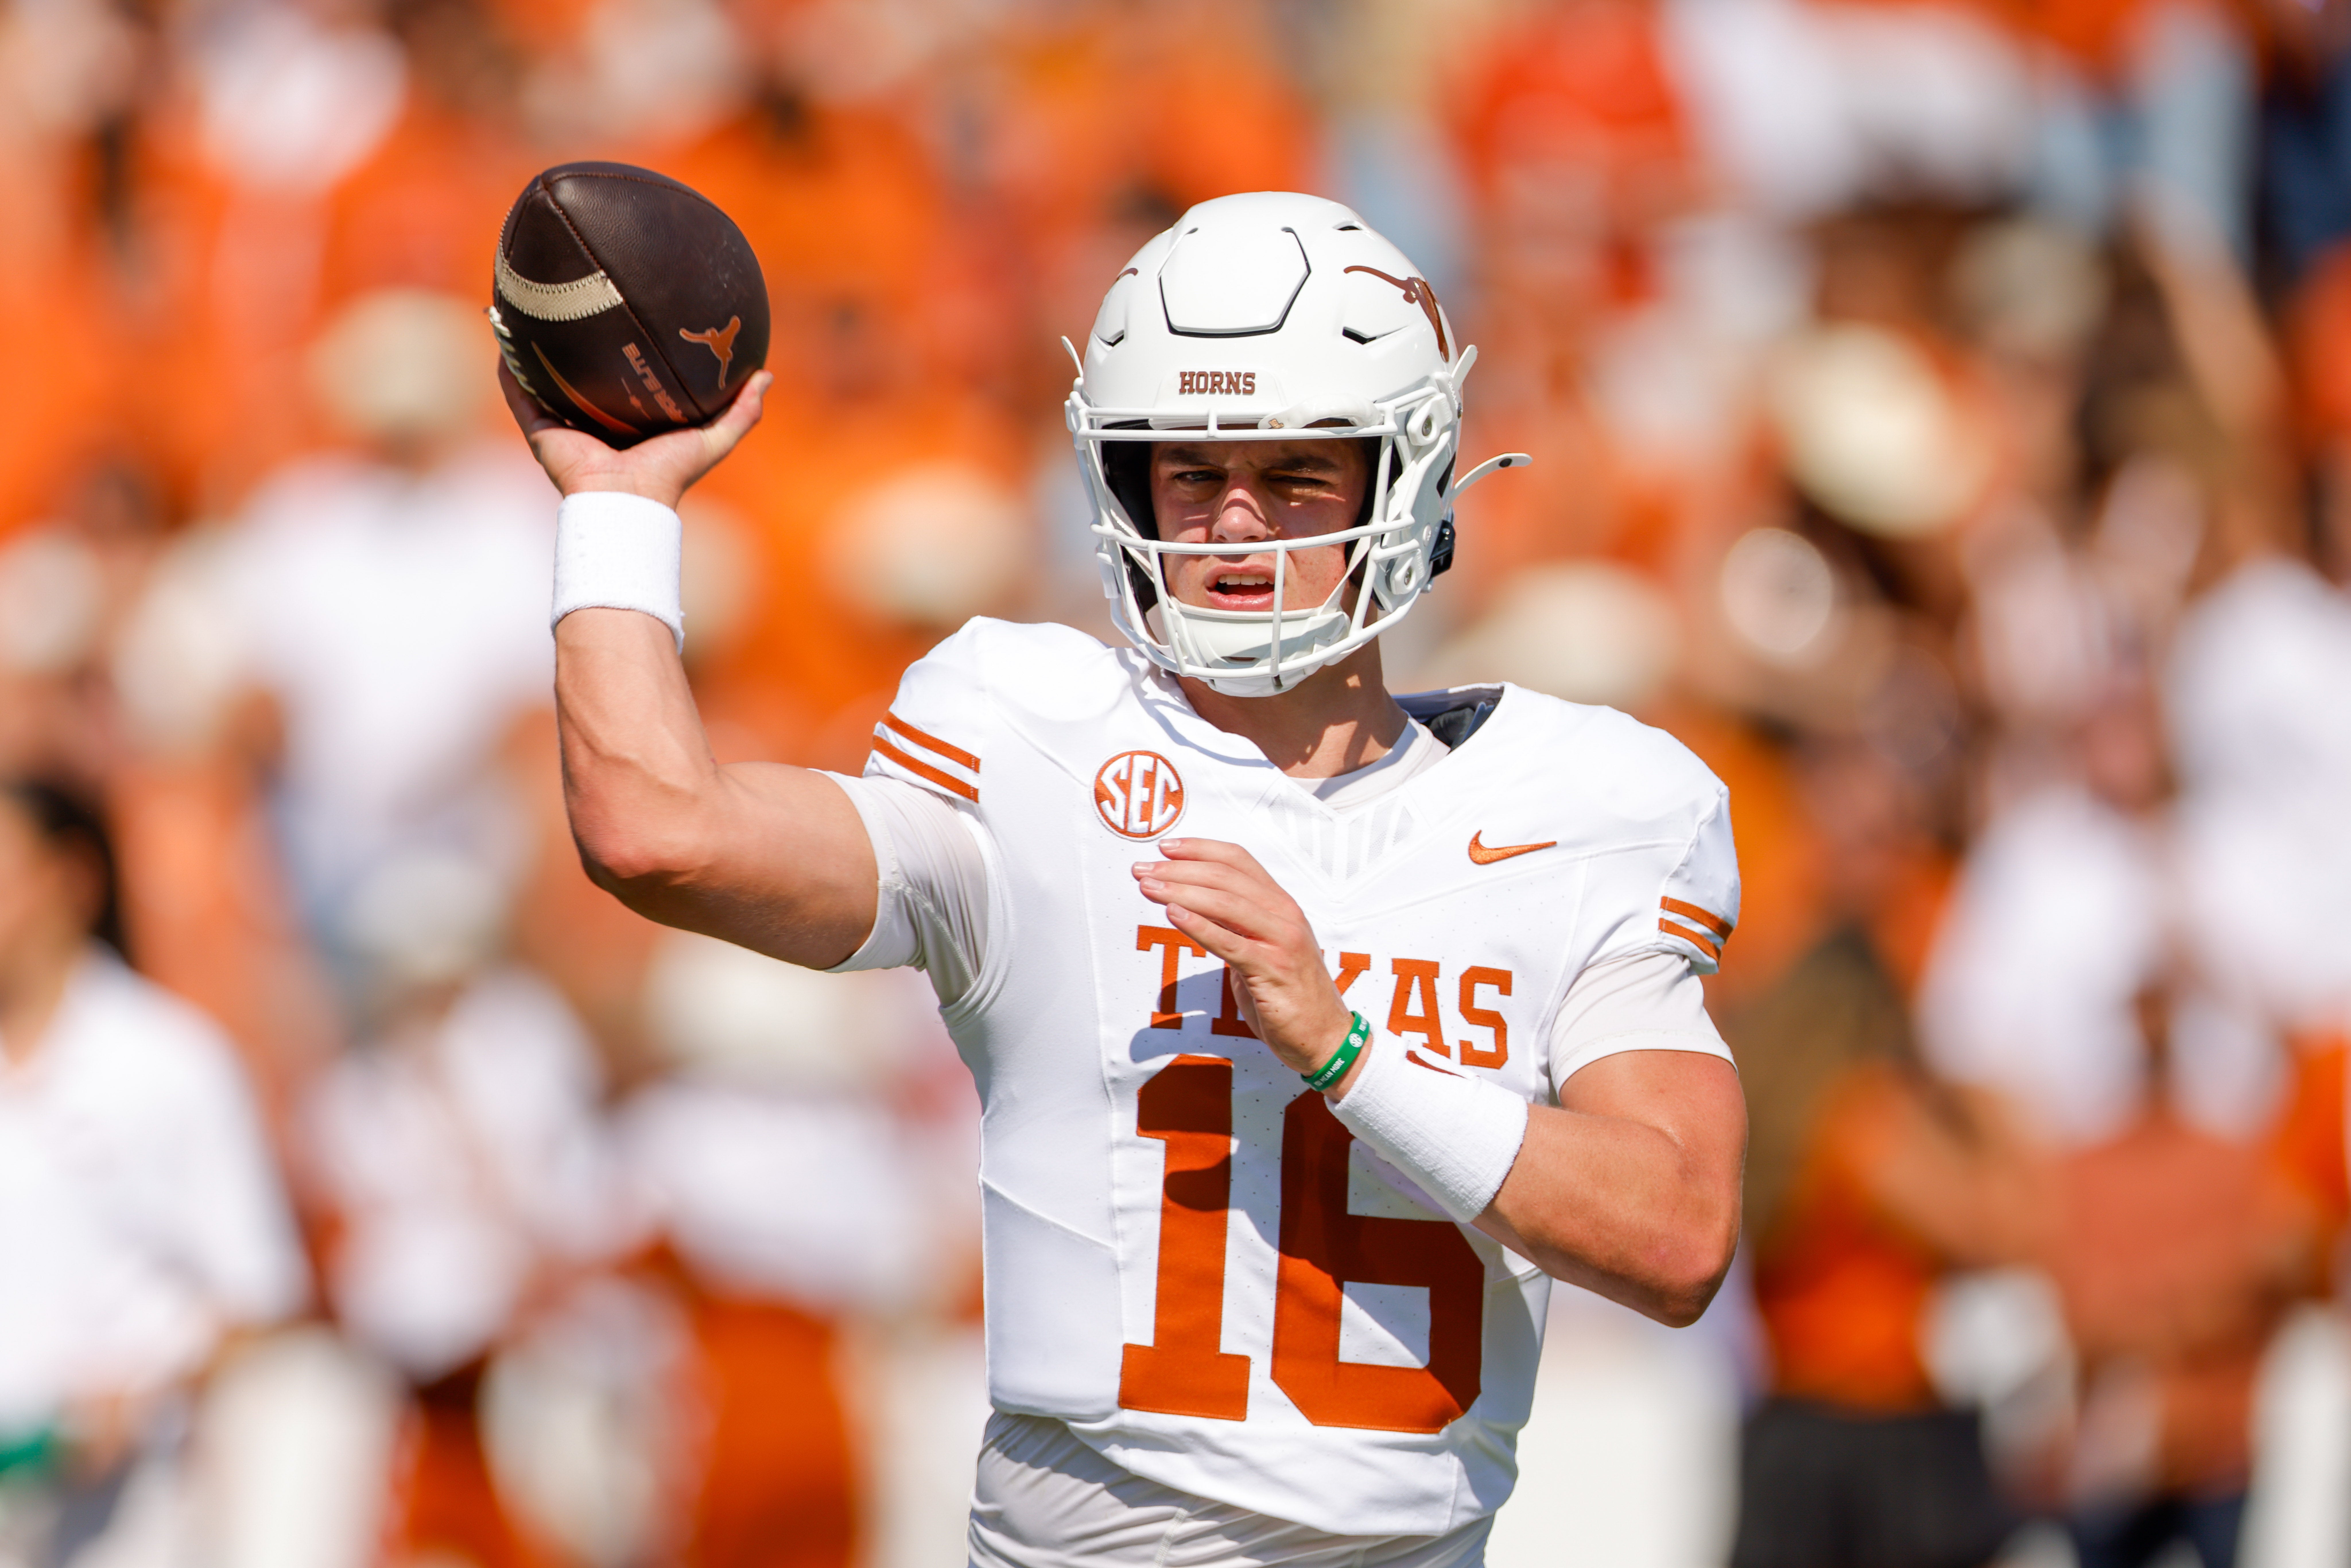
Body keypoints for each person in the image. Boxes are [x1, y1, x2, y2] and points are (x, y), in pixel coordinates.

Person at [502, 191, 1748, 1564]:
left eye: (1294, 476)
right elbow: (656, 828)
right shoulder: (1033, 740)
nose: (1231, 524)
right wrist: (617, 514)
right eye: (1190, 470)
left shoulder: (1576, 804)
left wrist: (1342, 1048)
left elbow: (1677, 1233)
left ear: (1406, 480)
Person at [0, 778, 306, 1563]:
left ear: (71, 878)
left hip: (125, 1519)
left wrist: (136, 1395)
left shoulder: (172, 1063)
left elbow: (261, 1293)